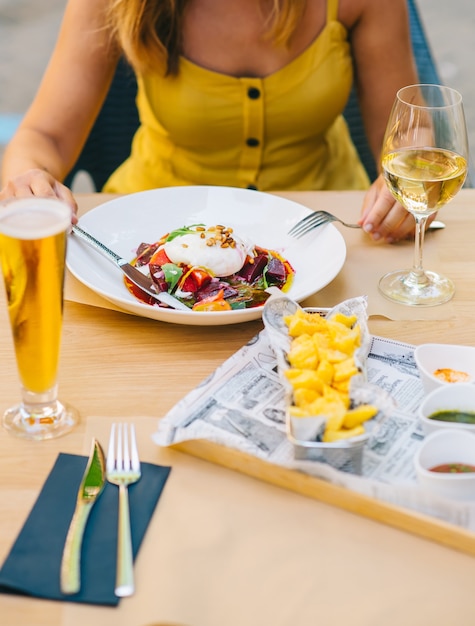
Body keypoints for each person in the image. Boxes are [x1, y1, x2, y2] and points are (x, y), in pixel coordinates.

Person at [0, 0, 420, 242]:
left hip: (325, 231)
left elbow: (411, 130)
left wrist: (407, 180)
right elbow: (44, 136)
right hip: (153, 234)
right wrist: (28, 179)